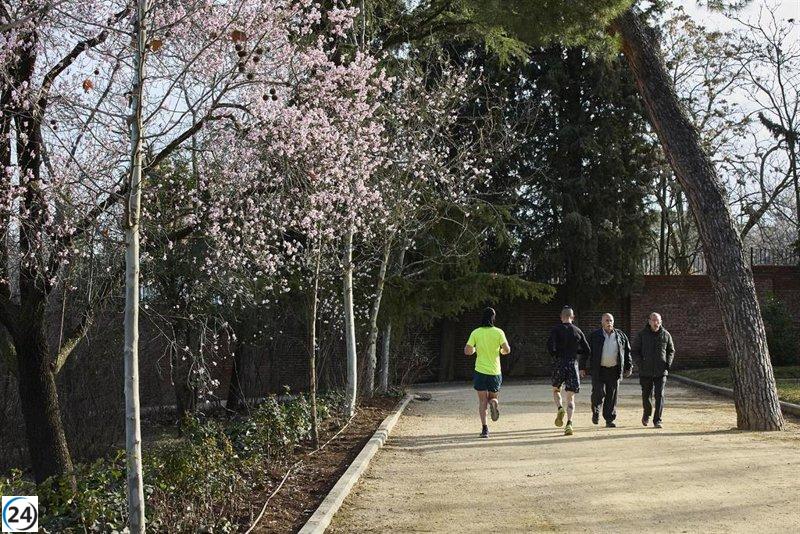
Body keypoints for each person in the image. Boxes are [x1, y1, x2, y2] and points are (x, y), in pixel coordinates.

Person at [465, 307, 511, 438]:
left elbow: (467, 351)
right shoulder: (499, 332)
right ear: (493, 318)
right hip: (495, 371)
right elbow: (507, 350)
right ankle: (494, 403)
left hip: (480, 371)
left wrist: (474, 349)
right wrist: (500, 352)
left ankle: (485, 429)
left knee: (482, 401)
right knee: (493, 397)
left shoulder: (476, 333)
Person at [582, 313, 632, 428]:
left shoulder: (620, 335)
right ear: (602, 322)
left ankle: (609, 419)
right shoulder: (594, 336)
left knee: (612, 395)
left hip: (614, 370)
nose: (609, 322)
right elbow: (585, 352)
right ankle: (596, 411)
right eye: (606, 320)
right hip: (599, 369)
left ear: (613, 322)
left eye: (611, 320)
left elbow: (627, 352)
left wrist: (628, 367)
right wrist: (582, 367)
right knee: (598, 393)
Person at [547, 306, 590, 436]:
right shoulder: (577, 331)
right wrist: (577, 354)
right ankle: (569, 424)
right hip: (572, 363)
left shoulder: (556, 330)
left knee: (556, 389)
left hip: (560, 362)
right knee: (571, 397)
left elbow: (550, 345)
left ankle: (560, 408)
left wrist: (555, 354)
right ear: (573, 317)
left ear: (561, 317)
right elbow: (587, 350)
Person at [632, 312, 675, 429]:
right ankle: (647, 413)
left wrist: (668, 364)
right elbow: (635, 351)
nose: (656, 323)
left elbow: (671, 350)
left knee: (659, 395)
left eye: (659, 321)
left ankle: (658, 420)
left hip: (661, 371)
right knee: (646, 395)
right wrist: (641, 363)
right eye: (654, 320)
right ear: (649, 321)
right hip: (645, 371)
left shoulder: (666, 335)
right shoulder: (642, 335)